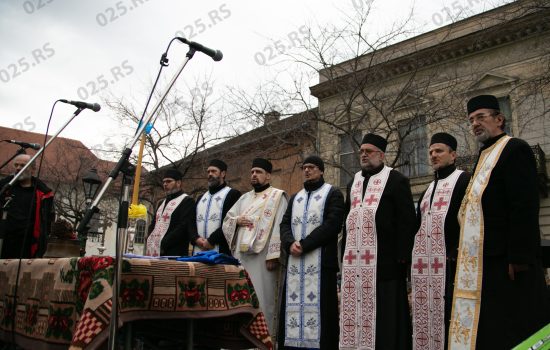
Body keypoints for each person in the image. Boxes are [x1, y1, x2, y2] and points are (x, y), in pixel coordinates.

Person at [448, 95, 550, 349]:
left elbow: (524, 205)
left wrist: (519, 257)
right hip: (485, 261)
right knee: (494, 327)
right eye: (471, 120)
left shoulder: (514, 148)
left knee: (515, 325)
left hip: (509, 261)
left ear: (499, 119)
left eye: (481, 117)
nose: (475, 124)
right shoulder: (483, 156)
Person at [339, 133, 416, 350]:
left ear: (381, 155)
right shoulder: (353, 182)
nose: (363, 155)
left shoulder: (397, 180)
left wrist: (402, 257)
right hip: (356, 265)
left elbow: (406, 221)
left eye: (368, 151)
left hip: (386, 264)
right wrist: (344, 253)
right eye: (361, 151)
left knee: (386, 317)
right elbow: (348, 219)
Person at [278, 155, 345, 349]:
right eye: (304, 167)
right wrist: (290, 243)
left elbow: (333, 224)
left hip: (321, 265)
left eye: (312, 167)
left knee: (323, 317)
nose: (307, 170)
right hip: (295, 267)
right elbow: (284, 224)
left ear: (321, 170)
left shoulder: (332, 193)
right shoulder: (295, 197)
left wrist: (305, 245)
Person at [410, 132, 470, 350]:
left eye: (439, 151)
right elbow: (418, 226)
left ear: (453, 155)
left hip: (452, 265)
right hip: (426, 270)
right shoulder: (428, 189)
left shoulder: (463, 179)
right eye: (431, 152)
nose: (434, 155)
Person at [222, 158, 288, 336]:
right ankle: (240, 340)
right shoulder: (244, 198)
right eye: (252, 172)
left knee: (262, 298)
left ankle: (263, 339)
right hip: (242, 257)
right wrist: (237, 221)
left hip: (263, 258)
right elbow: (228, 220)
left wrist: (273, 255)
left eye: (258, 172)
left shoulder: (278, 196)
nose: (254, 175)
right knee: (241, 298)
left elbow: (279, 226)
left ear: (268, 176)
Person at [0, 153, 54, 259]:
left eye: (23, 165)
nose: (18, 168)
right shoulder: (4, 188)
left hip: (28, 246)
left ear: (33, 169)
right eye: (16, 165)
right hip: (3, 242)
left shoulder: (43, 193)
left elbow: (46, 223)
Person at [146, 168, 199, 257]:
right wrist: (149, 237)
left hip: (175, 252)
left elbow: (183, 226)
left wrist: (163, 243)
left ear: (178, 183)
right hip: (155, 249)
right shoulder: (161, 203)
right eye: (164, 182)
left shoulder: (187, 201)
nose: (165, 184)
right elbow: (154, 223)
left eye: (169, 181)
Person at [194, 159, 241, 255]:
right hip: (198, 250)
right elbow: (191, 223)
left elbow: (230, 222)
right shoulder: (200, 198)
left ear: (223, 174)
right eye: (208, 172)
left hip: (220, 250)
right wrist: (196, 239)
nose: (210, 174)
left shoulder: (232, 194)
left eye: (214, 171)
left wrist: (211, 240)